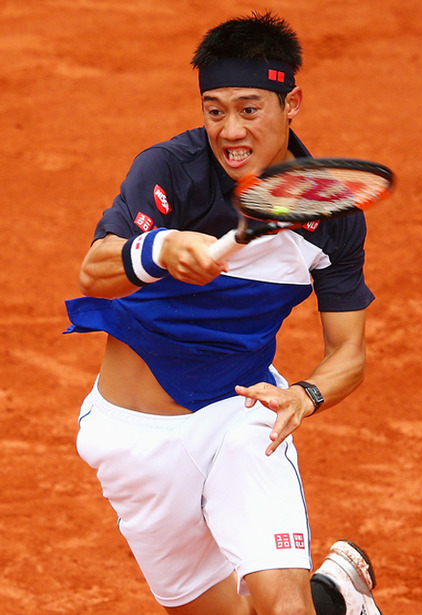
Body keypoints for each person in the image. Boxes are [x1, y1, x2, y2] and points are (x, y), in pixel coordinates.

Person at [65, 11, 383, 615]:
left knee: (283, 609)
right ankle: (337, 596)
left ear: (291, 104)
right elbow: (95, 269)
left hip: (242, 417)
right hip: (131, 441)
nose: (230, 130)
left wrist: (304, 396)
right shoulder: (170, 170)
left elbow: (348, 351)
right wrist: (159, 249)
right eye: (215, 111)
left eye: (249, 109)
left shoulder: (331, 216)